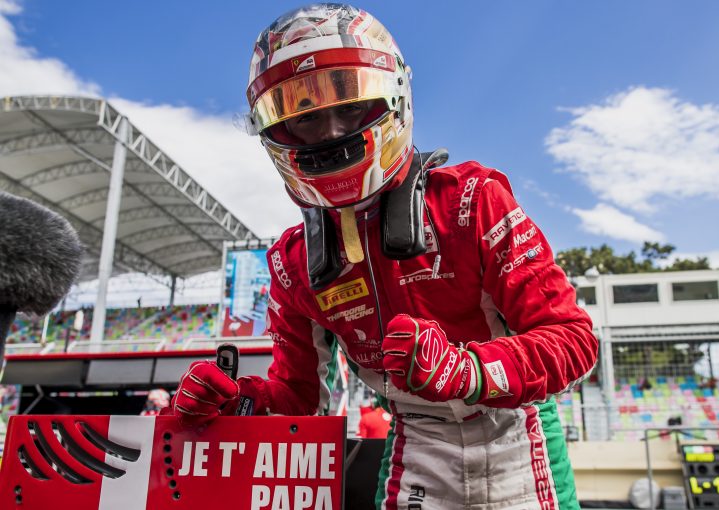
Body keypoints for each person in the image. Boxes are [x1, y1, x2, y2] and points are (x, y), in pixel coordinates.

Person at [167, 4, 598, 509]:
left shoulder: (471, 201)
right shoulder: (292, 262)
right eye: (303, 116)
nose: (328, 132)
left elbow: (574, 340)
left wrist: (467, 370)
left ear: (394, 98)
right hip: (416, 449)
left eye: (348, 105)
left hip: (518, 440)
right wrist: (236, 400)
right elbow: (299, 402)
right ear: (274, 128)